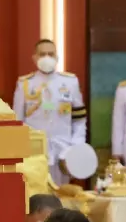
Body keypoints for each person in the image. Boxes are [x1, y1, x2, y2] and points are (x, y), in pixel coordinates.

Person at [13, 39, 87, 185]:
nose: (47, 58)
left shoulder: (70, 82)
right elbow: (17, 122)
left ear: (57, 57)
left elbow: (79, 119)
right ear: (34, 58)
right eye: (42, 54)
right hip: (34, 152)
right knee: (35, 196)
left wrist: (75, 145)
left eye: (50, 54)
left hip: (63, 150)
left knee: (61, 197)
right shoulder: (24, 84)